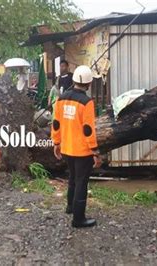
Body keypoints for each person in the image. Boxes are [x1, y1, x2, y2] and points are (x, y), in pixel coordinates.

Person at [51, 65, 102, 228]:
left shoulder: (61, 99)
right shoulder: (86, 102)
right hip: (82, 151)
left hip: (67, 148)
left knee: (73, 178)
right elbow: (88, 130)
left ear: (74, 80)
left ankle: (70, 207)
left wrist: (56, 142)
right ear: (88, 84)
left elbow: (56, 123)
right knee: (81, 182)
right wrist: (94, 150)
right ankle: (78, 219)